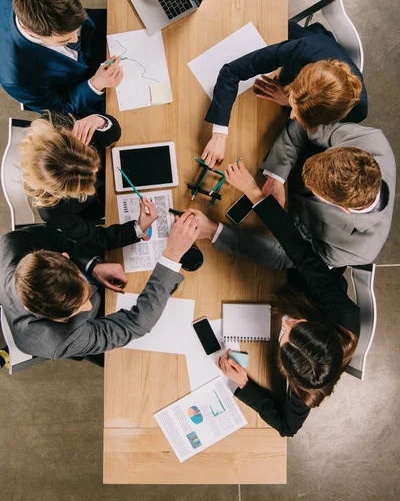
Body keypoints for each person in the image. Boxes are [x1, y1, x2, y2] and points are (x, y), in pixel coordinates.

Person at [190, 167, 360, 437]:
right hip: (312, 274)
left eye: (283, 332)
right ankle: (215, 232)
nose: (284, 322)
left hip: (289, 292)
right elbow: (302, 255)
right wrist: (255, 194)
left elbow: (287, 427)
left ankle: (216, 232)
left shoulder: (306, 386)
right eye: (294, 324)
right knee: (285, 250)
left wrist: (244, 384)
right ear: (319, 328)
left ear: (290, 373)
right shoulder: (343, 314)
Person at [0, 0, 179, 113]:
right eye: (64, 40)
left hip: (102, 30)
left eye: (75, 29)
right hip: (85, 88)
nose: (75, 38)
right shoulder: (15, 77)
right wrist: (95, 84)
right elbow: (59, 110)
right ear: (29, 29)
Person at [0, 212, 200, 363]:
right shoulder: (58, 340)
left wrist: (92, 266)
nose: (87, 307)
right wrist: (172, 256)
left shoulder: (11, 242)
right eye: (77, 307)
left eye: (84, 295)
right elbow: (136, 324)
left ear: (64, 258)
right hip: (90, 337)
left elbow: (57, 237)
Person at [202, 21, 367, 168]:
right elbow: (231, 71)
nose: (293, 115)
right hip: (299, 37)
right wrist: (219, 134)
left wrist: (288, 102)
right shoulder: (302, 49)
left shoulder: (357, 112)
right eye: (295, 107)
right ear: (296, 80)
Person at [259, 120, 396, 266]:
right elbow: (304, 123)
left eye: (314, 189)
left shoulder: (358, 250)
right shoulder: (370, 139)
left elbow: (295, 256)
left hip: (281, 227)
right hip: (278, 160)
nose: (306, 184)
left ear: (344, 208)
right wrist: (276, 176)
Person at [20, 112, 158, 251]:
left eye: (92, 160)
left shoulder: (61, 125)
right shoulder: (53, 209)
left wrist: (98, 121)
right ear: (67, 191)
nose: (96, 170)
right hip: (100, 206)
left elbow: (113, 135)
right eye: (89, 178)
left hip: (120, 164)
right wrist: (138, 228)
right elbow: (94, 238)